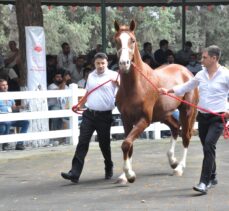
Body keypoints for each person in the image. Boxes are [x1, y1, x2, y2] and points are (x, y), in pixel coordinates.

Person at [159, 45, 229, 194]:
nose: (201, 60)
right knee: (207, 148)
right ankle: (213, 176)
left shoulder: (225, 75)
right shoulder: (200, 75)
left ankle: (204, 182)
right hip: (203, 117)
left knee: (209, 145)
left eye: (204, 57)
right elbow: (185, 87)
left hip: (218, 118)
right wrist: (168, 90)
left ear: (214, 58)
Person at [61, 52, 119, 183]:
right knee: (82, 142)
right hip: (89, 114)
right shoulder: (91, 76)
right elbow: (88, 92)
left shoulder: (114, 75)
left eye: (103, 63)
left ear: (107, 63)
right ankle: (74, 173)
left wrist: (118, 83)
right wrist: (79, 104)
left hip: (104, 115)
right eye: (98, 63)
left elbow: (123, 89)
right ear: (94, 63)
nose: (100, 66)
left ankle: (108, 166)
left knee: (104, 145)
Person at [0, 79, 30, 150]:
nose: (5, 86)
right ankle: (5, 143)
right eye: (3, 85)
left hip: (11, 117)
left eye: (6, 85)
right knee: (6, 123)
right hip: (2, 119)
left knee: (26, 122)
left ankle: (19, 144)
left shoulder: (10, 95)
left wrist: (21, 107)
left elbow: (13, 108)